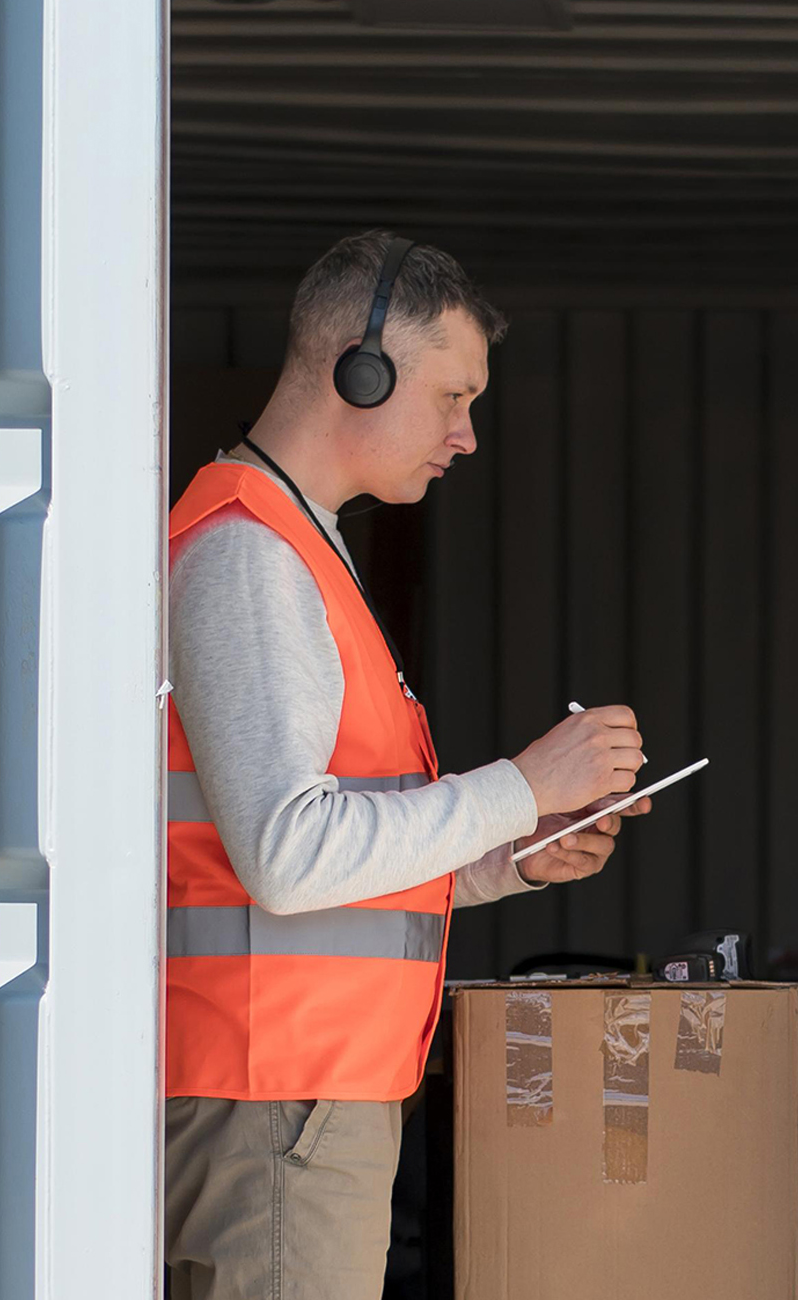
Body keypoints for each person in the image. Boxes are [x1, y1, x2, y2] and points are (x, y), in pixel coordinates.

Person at [162, 230, 650, 1300]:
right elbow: (291, 855)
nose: (467, 435)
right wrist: (522, 785)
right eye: (451, 396)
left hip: (293, 1102)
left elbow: (321, 864)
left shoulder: (298, 547)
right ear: (360, 368)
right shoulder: (252, 557)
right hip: (275, 1107)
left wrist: (505, 857)